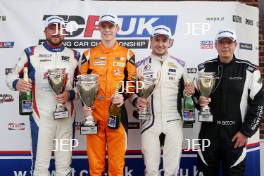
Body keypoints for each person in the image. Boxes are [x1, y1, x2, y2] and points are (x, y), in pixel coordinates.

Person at [6, 16, 80, 176]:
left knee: (64, 165)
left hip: (66, 118)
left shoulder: (74, 55)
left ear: (64, 32)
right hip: (41, 118)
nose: (56, 32)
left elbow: (83, 86)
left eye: (59, 29)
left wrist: (71, 93)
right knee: (40, 166)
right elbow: (10, 75)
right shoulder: (31, 53)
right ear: (45, 31)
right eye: (52, 28)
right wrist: (16, 83)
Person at [195, 29, 264, 176]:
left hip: (235, 135)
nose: (225, 46)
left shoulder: (249, 70)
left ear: (235, 45)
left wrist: (246, 132)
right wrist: (197, 99)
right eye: (222, 42)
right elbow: (197, 101)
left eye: (229, 42)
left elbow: (259, 104)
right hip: (208, 134)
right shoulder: (204, 68)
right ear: (216, 45)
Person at [133, 25, 195, 176]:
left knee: (172, 169)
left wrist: (192, 91)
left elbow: (190, 92)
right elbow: (131, 93)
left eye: (164, 40)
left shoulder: (181, 65)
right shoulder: (139, 66)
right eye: (157, 40)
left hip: (173, 121)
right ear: (151, 41)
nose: (160, 44)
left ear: (170, 42)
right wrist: (136, 101)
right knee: (151, 169)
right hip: (149, 122)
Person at [80, 14, 136, 176]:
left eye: (110, 26)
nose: (107, 30)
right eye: (103, 26)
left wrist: (123, 97)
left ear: (117, 29)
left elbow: (132, 81)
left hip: (116, 112)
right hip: (94, 114)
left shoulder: (127, 54)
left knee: (116, 165)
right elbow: (81, 83)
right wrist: (86, 104)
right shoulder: (88, 54)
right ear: (99, 28)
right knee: (95, 166)